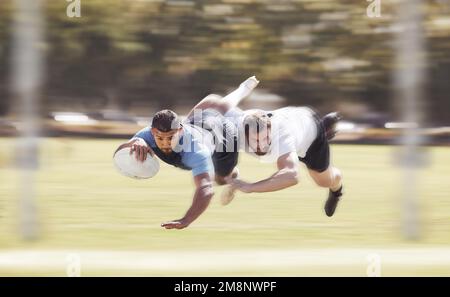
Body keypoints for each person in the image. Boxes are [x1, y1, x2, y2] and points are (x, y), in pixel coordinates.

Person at [114, 77, 259, 229]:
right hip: (199, 124)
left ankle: (233, 176)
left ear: (179, 130)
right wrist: (134, 142)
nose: (165, 143)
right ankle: (235, 93)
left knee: (222, 179)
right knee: (214, 105)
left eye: (170, 137)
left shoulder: (197, 152)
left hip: (225, 139)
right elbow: (120, 151)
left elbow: (206, 190)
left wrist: (186, 219)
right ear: (152, 132)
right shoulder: (146, 135)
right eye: (159, 137)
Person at [191, 80, 344, 217]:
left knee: (324, 181)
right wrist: (185, 124)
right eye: (255, 140)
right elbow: (212, 102)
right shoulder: (235, 123)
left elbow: (291, 176)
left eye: (265, 138)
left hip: (309, 135)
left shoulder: (281, 137)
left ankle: (337, 189)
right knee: (221, 175)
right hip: (290, 118)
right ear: (243, 132)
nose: (262, 145)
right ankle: (233, 173)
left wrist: (249, 187)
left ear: (270, 131)